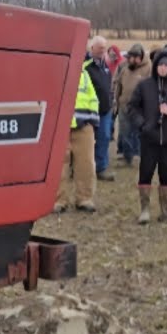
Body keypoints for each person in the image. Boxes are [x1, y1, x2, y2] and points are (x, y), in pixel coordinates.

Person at [128, 47, 167, 224]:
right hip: (149, 138)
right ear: (156, 67)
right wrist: (142, 125)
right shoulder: (144, 86)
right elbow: (132, 108)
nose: (163, 68)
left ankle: (166, 210)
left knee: (166, 174)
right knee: (146, 172)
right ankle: (145, 210)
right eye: (160, 65)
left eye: (166, 66)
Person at [53, 50, 101, 213]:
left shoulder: (84, 75)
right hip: (60, 127)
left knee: (86, 164)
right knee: (59, 165)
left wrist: (93, 122)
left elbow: (93, 99)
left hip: (83, 125)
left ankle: (84, 199)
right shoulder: (55, 73)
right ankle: (58, 200)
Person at [113, 44, 151, 168]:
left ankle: (139, 156)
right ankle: (127, 157)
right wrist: (117, 102)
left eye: (135, 57)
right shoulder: (125, 68)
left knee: (138, 133)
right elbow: (118, 85)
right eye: (130, 57)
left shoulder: (148, 68)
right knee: (125, 133)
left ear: (141, 57)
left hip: (139, 108)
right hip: (124, 106)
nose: (131, 60)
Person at [85, 37, 117, 182]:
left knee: (104, 137)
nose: (103, 50)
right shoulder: (85, 66)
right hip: (89, 110)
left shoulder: (105, 66)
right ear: (92, 49)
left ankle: (101, 168)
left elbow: (108, 86)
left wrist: (111, 101)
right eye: (100, 48)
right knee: (87, 140)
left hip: (105, 110)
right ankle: (84, 168)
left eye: (104, 48)